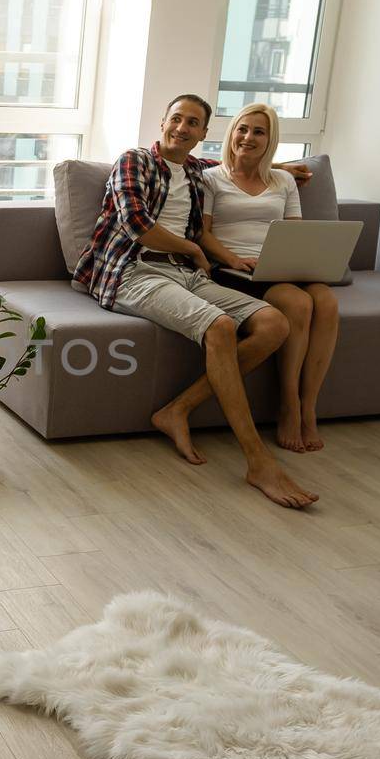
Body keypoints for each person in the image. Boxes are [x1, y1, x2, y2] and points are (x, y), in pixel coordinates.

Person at [73, 95, 318, 509]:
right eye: (176, 119)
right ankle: (258, 461)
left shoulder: (195, 170)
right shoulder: (133, 161)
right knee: (220, 326)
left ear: (204, 134)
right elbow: (138, 226)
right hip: (133, 271)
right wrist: (194, 248)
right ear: (163, 121)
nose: (182, 129)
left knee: (275, 324)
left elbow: (233, 166)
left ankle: (177, 410)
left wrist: (277, 168)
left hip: (183, 274)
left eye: (193, 124)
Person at [199, 103, 339, 453]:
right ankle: (289, 404)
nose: (248, 137)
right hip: (234, 267)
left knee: (325, 299)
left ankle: (309, 406)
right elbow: (202, 234)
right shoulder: (210, 178)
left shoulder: (284, 180)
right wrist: (233, 257)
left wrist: (298, 260)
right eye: (242, 129)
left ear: (270, 139)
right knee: (297, 302)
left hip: (280, 265)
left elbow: (295, 232)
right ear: (231, 132)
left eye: (259, 132)